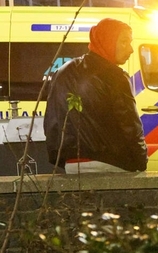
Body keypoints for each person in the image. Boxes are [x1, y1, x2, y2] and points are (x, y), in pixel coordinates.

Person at [44, 18, 147, 173]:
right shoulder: (115, 77)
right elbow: (130, 127)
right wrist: (140, 162)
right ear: (108, 41)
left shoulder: (63, 72)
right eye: (124, 42)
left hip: (72, 164)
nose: (131, 49)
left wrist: (61, 158)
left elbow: (52, 123)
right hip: (112, 164)